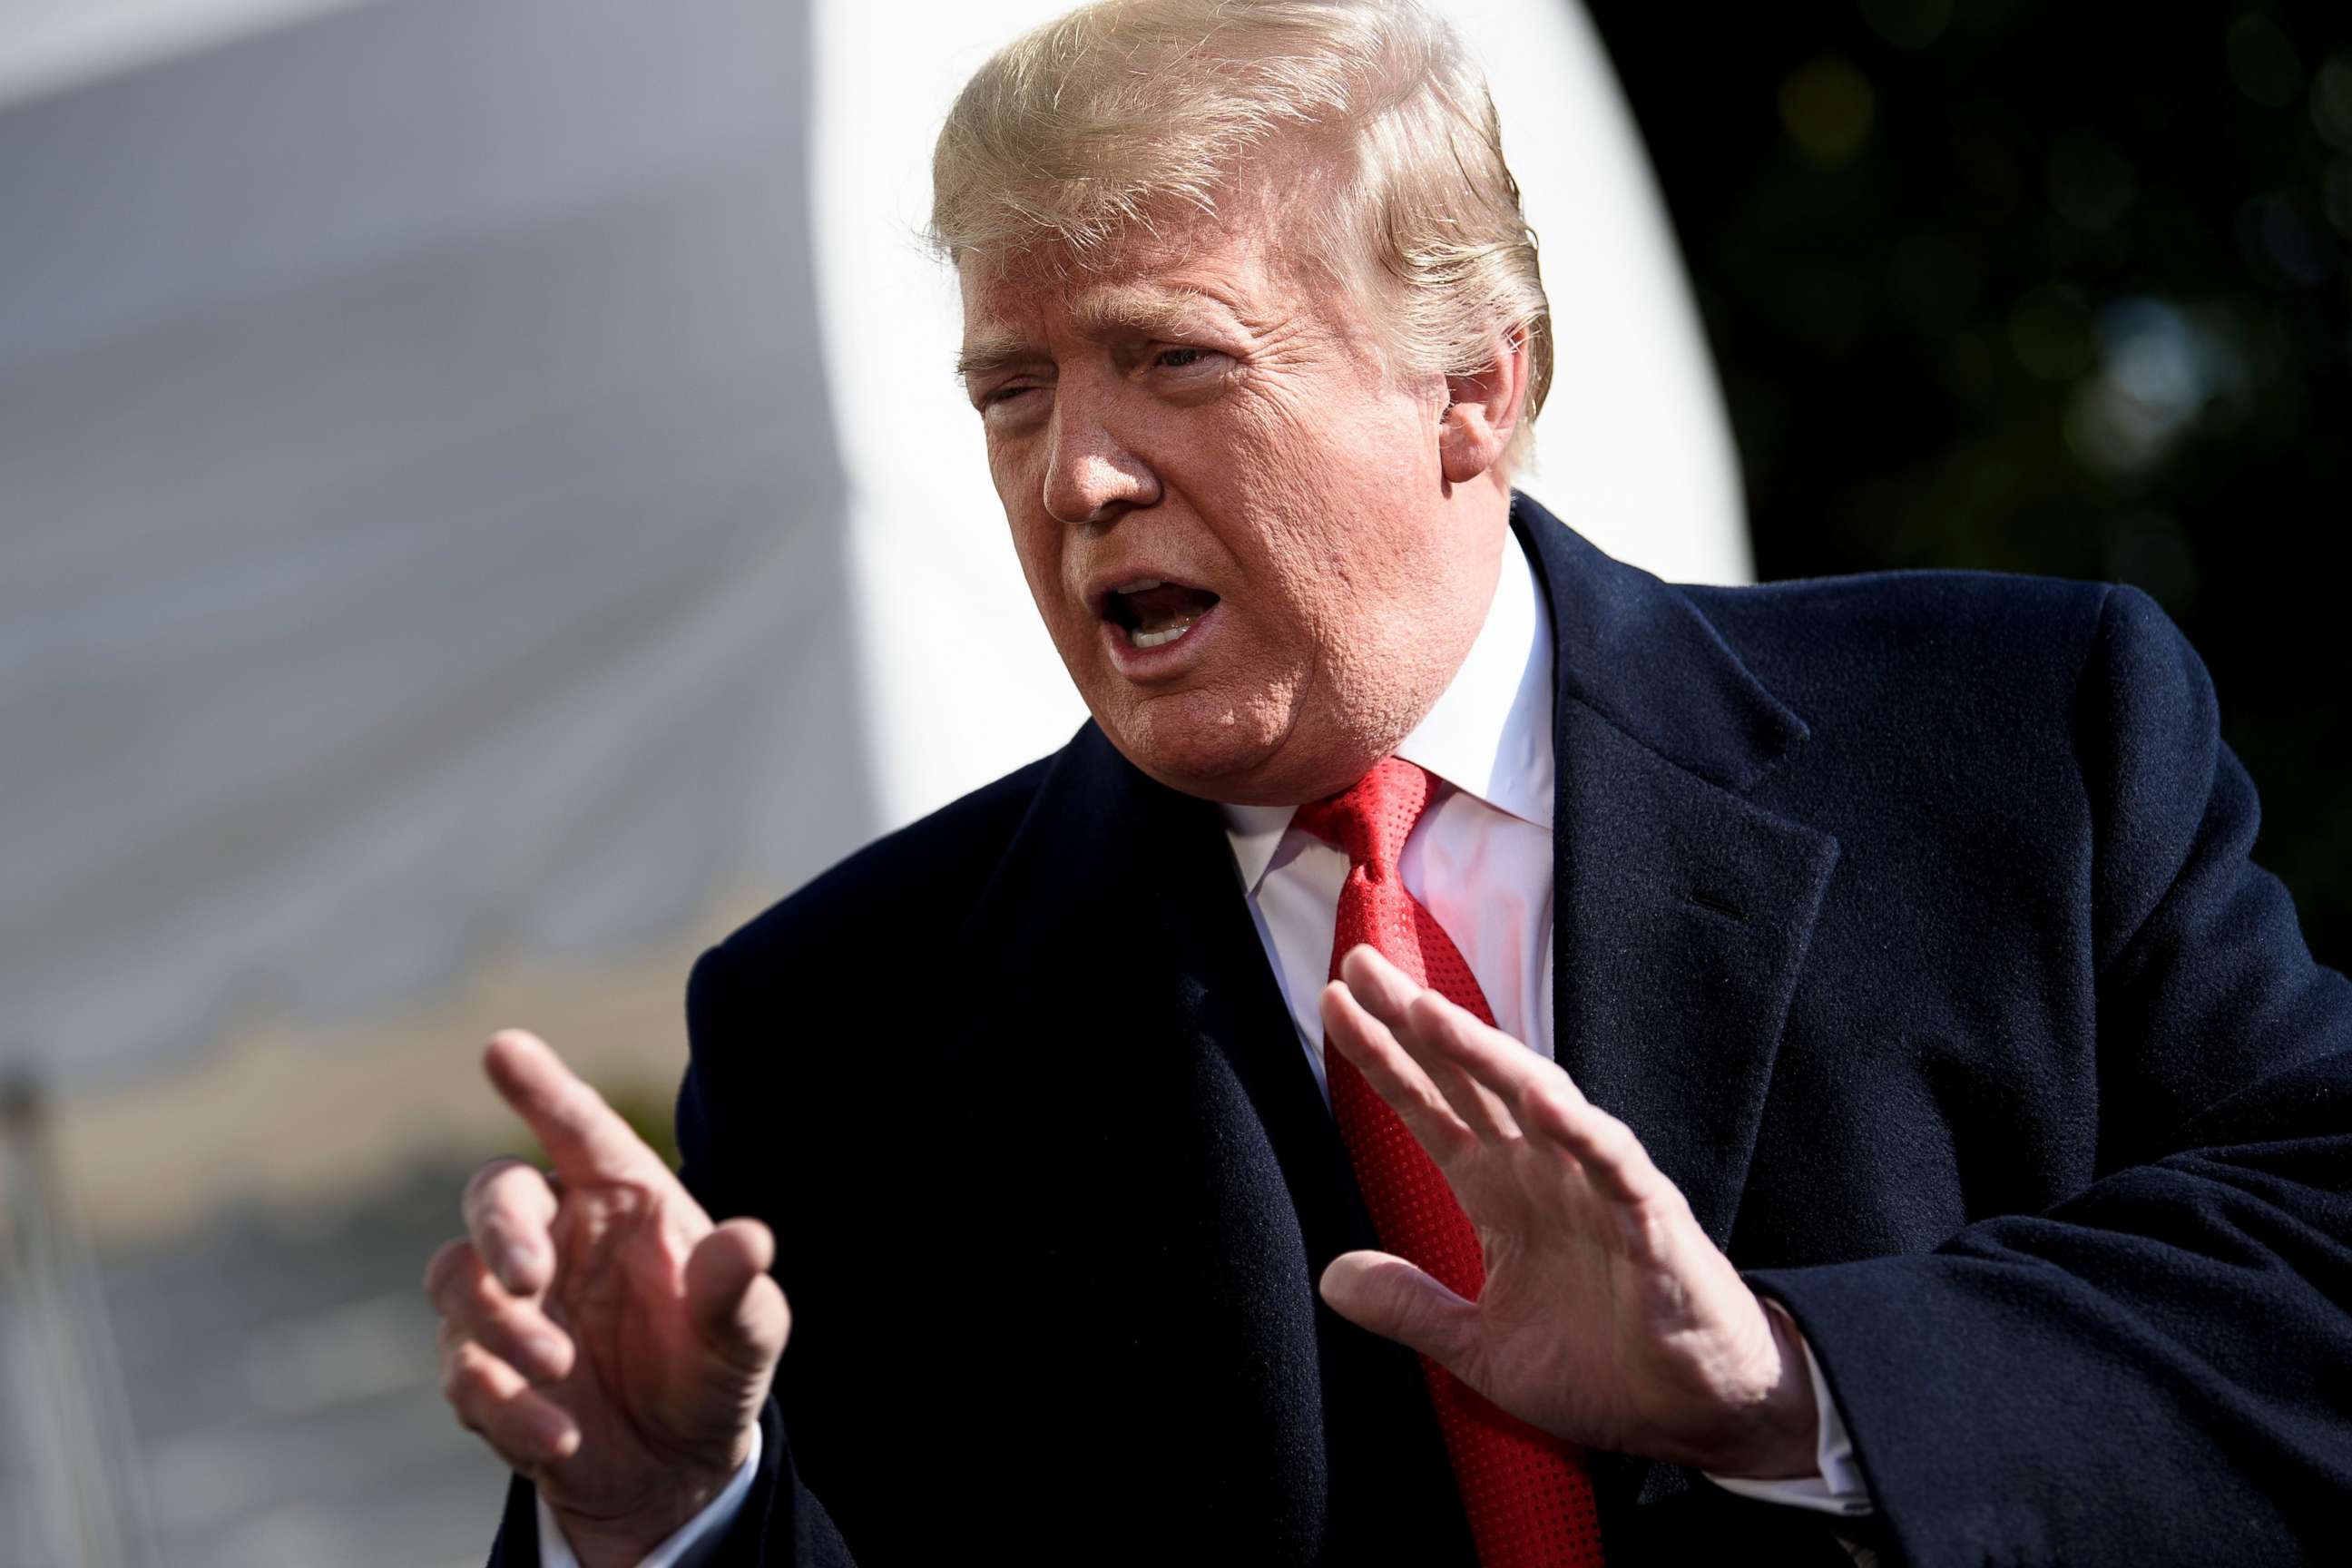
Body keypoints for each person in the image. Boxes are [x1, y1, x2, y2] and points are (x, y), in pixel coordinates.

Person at [425, 3, 2352, 1564]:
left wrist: (1789, 1385)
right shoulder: (843, 1024)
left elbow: (2312, 1282)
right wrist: (665, 1514)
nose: (1074, 478)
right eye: (1010, 396)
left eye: (1169, 361)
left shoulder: (2021, 740)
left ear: (1471, 388)